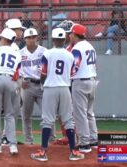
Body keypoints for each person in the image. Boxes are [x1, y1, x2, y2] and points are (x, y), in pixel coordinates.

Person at [30, 28, 84, 161]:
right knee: (68, 120)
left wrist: (43, 84)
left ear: (53, 39)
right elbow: (72, 73)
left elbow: (43, 73)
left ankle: (43, 152)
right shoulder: (70, 54)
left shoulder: (47, 53)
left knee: (47, 120)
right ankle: (73, 151)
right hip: (65, 88)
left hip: (50, 88)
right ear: (64, 39)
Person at [69, 24, 99, 153]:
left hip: (81, 82)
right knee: (89, 113)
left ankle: (84, 143)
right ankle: (94, 140)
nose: (69, 36)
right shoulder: (90, 46)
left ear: (75, 35)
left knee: (80, 114)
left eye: (71, 33)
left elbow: (74, 67)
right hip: (92, 80)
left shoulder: (77, 48)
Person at [19, 28, 47, 144]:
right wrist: (20, 81)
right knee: (26, 115)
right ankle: (28, 141)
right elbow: (15, 70)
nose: (31, 39)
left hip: (41, 84)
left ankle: (50, 140)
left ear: (37, 38)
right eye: (28, 37)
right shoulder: (20, 53)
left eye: (33, 37)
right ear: (25, 39)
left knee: (47, 115)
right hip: (27, 85)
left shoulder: (44, 51)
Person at [1, 18, 25, 145]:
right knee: (12, 111)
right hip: (13, 80)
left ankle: (7, 136)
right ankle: (7, 137)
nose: (21, 31)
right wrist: (18, 84)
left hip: (5, 80)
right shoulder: (14, 47)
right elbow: (16, 69)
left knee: (11, 110)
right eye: (19, 29)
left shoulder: (6, 46)